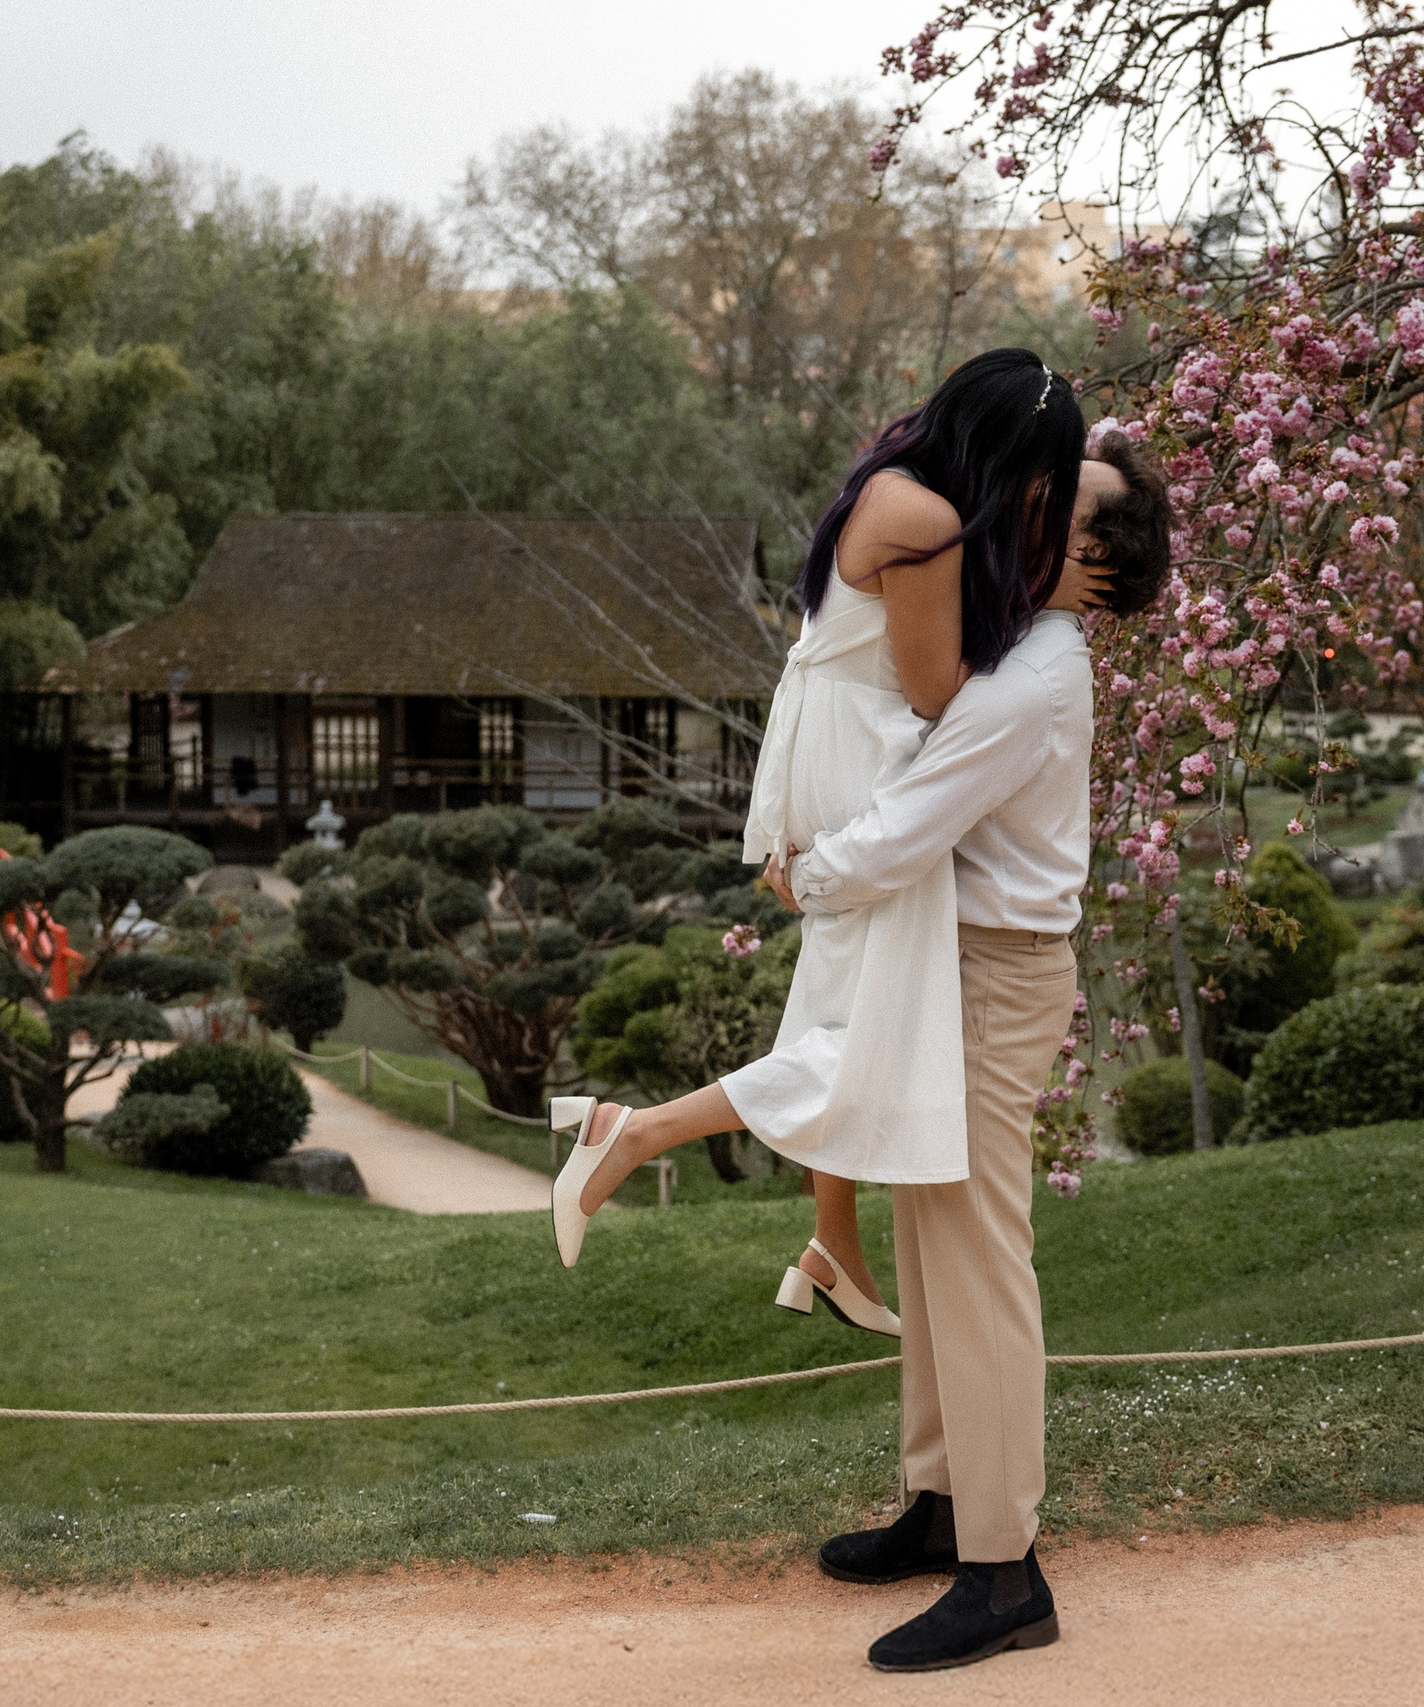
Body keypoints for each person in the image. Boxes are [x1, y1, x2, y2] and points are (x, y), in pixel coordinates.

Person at [545, 348, 1085, 1330]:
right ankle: (631, 1133)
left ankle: (833, 1246)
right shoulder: (929, 522)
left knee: (841, 1008)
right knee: (873, 1033)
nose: (1036, 501)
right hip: (869, 759)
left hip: (826, 749)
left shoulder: (888, 478)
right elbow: (932, 690)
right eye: (1039, 480)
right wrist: (1033, 658)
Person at [790, 422, 1169, 1672]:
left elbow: (917, 814)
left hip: (993, 978)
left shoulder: (1039, 674)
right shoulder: (1019, 645)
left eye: (1065, 519)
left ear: (1097, 571)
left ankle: (1003, 1571)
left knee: (976, 1257)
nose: (1034, 516)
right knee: (928, 1235)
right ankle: (945, 1505)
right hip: (958, 968)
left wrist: (813, 878)